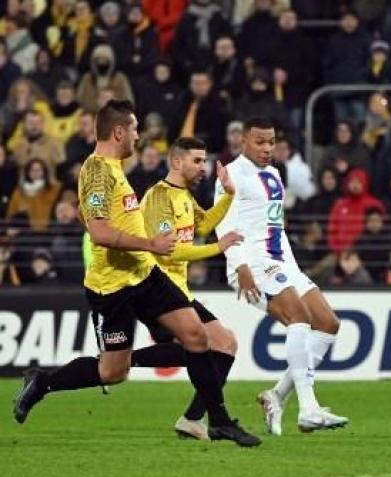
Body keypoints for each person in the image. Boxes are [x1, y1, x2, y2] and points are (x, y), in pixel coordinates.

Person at [12, 100, 259, 447]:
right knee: (113, 372)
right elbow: (99, 233)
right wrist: (150, 243)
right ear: (118, 132)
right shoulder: (97, 171)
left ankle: (218, 421)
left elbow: (100, 220)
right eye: (135, 128)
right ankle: (42, 383)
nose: (138, 136)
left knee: (197, 336)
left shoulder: (114, 170)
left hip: (144, 276)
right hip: (111, 287)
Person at [215, 117, 349, 436]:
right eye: (259, 142)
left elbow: (276, 225)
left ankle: (276, 395)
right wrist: (241, 267)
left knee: (328, 323)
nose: (266, 148)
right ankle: (308, 409)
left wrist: (292, 266)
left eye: (271, 142)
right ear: (244, 141)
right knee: (299, 318)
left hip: (282, 261)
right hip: (254, 263)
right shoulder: (232, 175)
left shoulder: (274, 174)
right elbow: (224, 224)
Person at [130, 136, 243, 440]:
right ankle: (121, 360)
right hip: (157, 289)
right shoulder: (158, 197)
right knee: (203, 347)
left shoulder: (184, 196)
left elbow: (202, 226)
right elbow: (171, 250)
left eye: (204, 161)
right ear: (177, 162)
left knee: (225, 344)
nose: (202, 167)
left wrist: (229, 196)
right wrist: (218, 248)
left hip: (180, 289)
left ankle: (193, 419)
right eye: (196, 160)